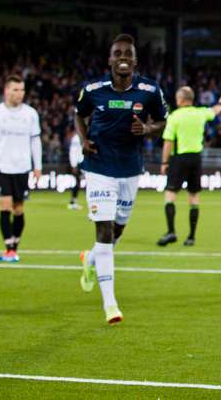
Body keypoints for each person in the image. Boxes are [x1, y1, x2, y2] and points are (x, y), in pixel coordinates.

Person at [75, 34, 168, 325]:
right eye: (118, 53)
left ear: (135, 60)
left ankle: (90, 259)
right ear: (110, 59)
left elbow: (163, 121)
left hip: (130, 169)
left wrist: (148, 130)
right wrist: (83, 140)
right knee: (104, 232)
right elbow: (79, 115)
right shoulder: (93, 90)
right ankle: (110, 305)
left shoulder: (150, 90)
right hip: (99, 167)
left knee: (117, 230)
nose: (123, 57)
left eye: (128, 53)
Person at [156, 87, 221, 247]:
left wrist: (164, 163)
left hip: (179, 158)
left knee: (170, 195)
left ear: (181, 100)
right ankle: (191, 237)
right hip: (196, 158)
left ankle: (171, 232)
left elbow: (168, 142)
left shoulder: (175, 116)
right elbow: (214, 111)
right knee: (194, 197)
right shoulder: (200, 113)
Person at [0, 75, 42, 263]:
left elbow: (36, 141)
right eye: (16, 89)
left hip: (22, 168)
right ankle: (9, 249)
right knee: (5, 205)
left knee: (19, 209)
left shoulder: (31, 114)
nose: (20, 93)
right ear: (6, 91)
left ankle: (14, 247)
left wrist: (38, 166)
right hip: (2, 168)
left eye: (22, 90)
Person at [67, 130, 84, 210]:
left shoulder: (86, 136)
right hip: (79, 164)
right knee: (77, 183)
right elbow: (72, 152)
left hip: (86, 163)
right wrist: (73, 165)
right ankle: (72, 203)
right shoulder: (76, 138)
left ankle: (73, 202)